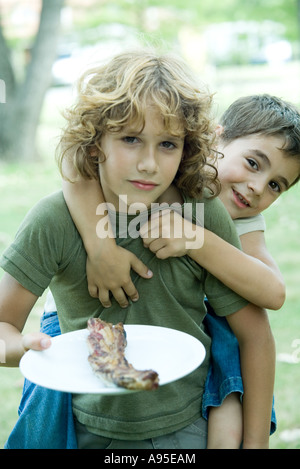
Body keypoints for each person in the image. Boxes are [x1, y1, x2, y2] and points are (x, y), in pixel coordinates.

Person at [0, 51, 275, 449]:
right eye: (130, 139)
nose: (149, 163)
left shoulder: (201, 216)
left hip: (187, 427)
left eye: (167, 144)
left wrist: (255, 443)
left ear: (188, 148)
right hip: (82, 429)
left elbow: (254, 334)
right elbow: (3, 326)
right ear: (96, 145)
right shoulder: (54, 221)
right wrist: (21, 346)